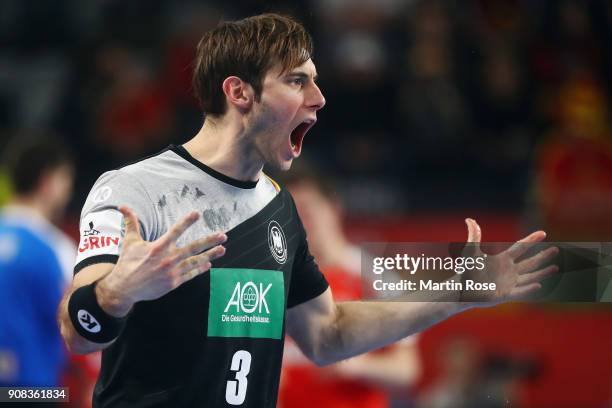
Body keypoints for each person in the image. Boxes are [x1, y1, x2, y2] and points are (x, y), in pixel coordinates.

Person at [57, 13, 558, 407]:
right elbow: (76, 333)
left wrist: (457, 296)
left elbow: (327, 333)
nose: (319, 99)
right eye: (297, 81)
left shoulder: (278, 207)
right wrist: (117, 291)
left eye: (314, 81)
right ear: (239, 92)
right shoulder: (133, 189)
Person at [279, 168, 421, 408]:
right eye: (293, 214)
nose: (301, 222)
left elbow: (407, 369)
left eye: (307, 211)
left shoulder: (374, 278)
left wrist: (356, 366)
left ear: (333, 208)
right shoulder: (279, 279)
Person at [0, 136, 75, 387]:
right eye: (65, 180)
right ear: (48, 182)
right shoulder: (55, 248)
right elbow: (74, 324)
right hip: (33, 388)